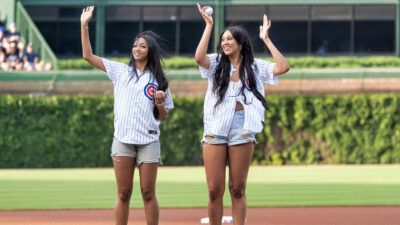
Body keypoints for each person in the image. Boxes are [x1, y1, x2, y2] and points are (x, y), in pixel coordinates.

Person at [195, 3, 289, 225]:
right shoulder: (217, 63)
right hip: (215, 126)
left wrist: (266, 39)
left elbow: (283, 67)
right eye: (223, 39)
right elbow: (199, 58)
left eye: (230, 39)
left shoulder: (255, 67)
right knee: (213, 190)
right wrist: (208, 26)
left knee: (237, 188)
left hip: (243, 125)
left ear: (240, 43)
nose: (225, 42)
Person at [80, 6, 173, 225]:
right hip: (123, 140)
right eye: (135, 45)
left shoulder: (159, 79)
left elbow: (164, 116)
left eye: (142, 46)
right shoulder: (120, 71)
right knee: (123, 194)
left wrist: (160, 104)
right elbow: (87, 56)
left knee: (148, 194)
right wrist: (85, 25)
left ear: (150, 50)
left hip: (149, 141)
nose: (136, 48)